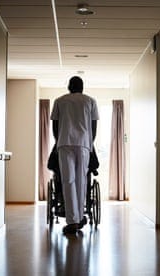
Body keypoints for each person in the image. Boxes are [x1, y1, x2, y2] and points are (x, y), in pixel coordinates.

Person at [50, 76, 99, 234]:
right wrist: (89, 143)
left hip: (65, 143)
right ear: (82, 87)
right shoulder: (90, 101)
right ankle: (78, 219)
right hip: (84, 144)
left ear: (69, 87)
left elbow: (55, 127)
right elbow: (94, 127)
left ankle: (73, 221)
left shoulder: (59, 101)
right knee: (81, 180)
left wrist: (59, 142)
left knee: (68, 180)